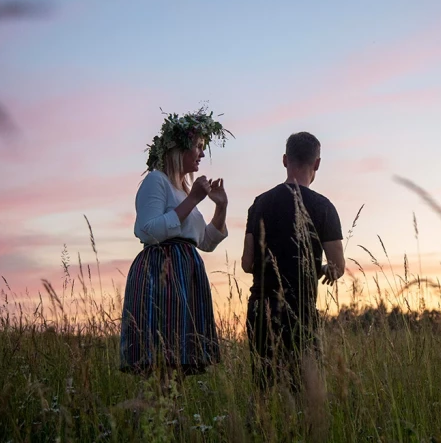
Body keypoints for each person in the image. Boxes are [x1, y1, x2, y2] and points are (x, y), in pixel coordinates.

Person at [120, 107, 232, 383]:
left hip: (186, 274)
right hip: (161, 274)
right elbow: (148, 231)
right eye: (198, 146)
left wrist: (221, 207)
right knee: (160, 361)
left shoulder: (182, 188)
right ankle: (151, 420)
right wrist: (193, 199)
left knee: (179, 363)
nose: (202, 154)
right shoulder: (156, 181)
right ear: (179, 149)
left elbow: (204, 242)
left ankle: (173, 422)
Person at [241, 131, 345, 391]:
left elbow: (246, 263)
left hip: (261, 310)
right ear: (317, 164)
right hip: (301, 313)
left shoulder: (260, 203)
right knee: (305, 393)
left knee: (264, 393)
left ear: (285, 160)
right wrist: (319, 269)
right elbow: (338, 267)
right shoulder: (324, 207)